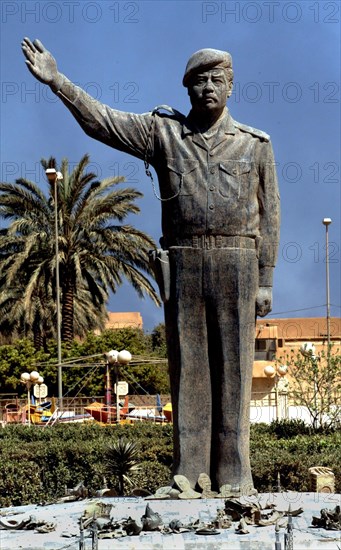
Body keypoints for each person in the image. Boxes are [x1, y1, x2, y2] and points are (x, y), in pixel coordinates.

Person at [22, 40, 280, 493]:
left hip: (238, 261)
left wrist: (266, 279)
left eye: (217, 79)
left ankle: (236, 475)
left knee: (235, 372)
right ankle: (189, 471)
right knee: (188, 370)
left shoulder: (256, 145)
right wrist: (58, 82)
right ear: (186, 89)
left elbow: (271, 213)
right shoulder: (164, 135)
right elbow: (103, 122)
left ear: (231, 86)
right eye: (198, 80)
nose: (207, 88)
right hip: (182, 260)